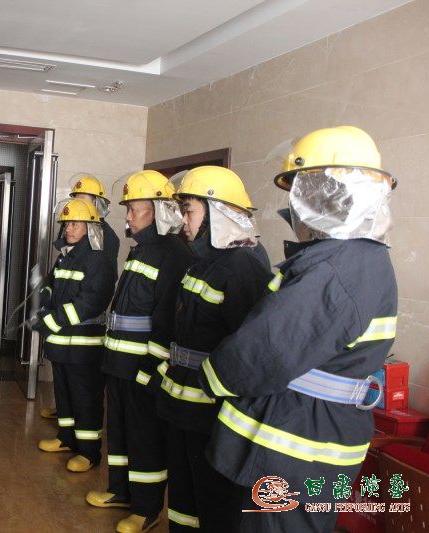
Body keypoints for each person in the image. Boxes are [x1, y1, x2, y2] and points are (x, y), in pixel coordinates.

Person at [198, 126, 398, 532]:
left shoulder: (335, 267)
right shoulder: (357, 259)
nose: (294, 202)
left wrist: (210, 378)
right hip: (308, 439)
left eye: (300, 189)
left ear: (330, 192)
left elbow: (263, 352)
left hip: (294, 448)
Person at [154, 166, 271, 532]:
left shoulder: (243, 267)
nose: (183, 221)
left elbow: (248, 355)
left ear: (217, 212)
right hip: (183, 407)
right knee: (183, 502)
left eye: (188, 210)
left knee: (214, 506)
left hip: (213, 416)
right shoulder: (202, 263)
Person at [86, 170, 192, 533]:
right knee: (119, 434)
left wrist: (150, 370)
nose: (128, 216)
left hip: (142, 368)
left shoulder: (174, 255)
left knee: (145, 439)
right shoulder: (142, 249)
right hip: (119, 364)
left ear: (159, 211)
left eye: (135, 209)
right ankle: (120, 491)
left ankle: (147, 509)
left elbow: (168, 321)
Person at [34, 199, 116, 472]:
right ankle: (66, 438)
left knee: (85, 399)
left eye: (74, 224)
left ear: (90, 227)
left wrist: (51, 319)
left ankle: (89, 452)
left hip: (83, 346)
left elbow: (90, 302)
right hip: (62, 344)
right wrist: (44, 301)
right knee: (65, 395)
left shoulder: (98, 259)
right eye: (66, 223)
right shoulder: (66, 255)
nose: (68, 229)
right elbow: (51, 286)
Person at [40, 174, 120, 421]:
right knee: (66, 386)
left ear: (98, 203)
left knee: (82, 391)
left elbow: (98, 286)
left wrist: (55, 318)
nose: (79, 204)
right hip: (64, 330)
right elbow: (59, 275)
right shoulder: (72, 228)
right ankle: (65, 422)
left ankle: (79, 430)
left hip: (82, 329)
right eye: (76, 198)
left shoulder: (103, 237)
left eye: (85, 199)